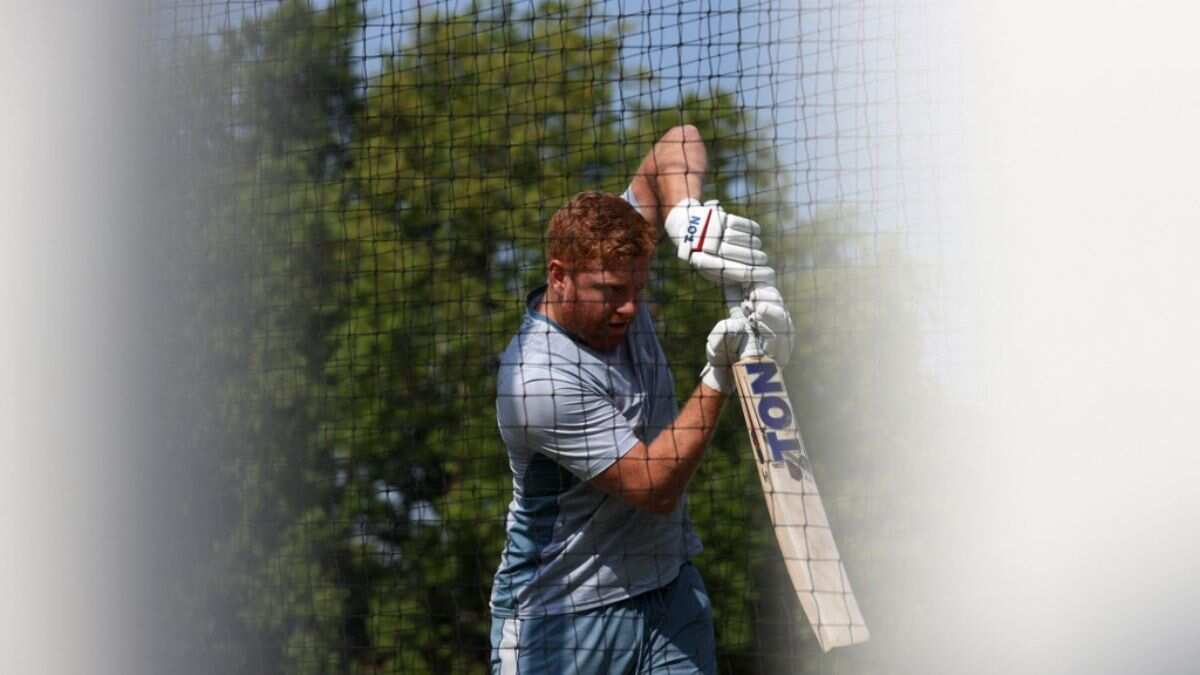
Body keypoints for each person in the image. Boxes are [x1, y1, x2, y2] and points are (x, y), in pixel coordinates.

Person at [489, 126, 792, 674]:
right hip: (561, 620)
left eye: (638, 290)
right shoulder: (537, 379)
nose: (629, 310)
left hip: (669, 587)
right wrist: (721, 372)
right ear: (559, 277)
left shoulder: (616, 265)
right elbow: (653, 486)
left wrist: (687, 219)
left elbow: (678, 141)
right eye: (610, 292)